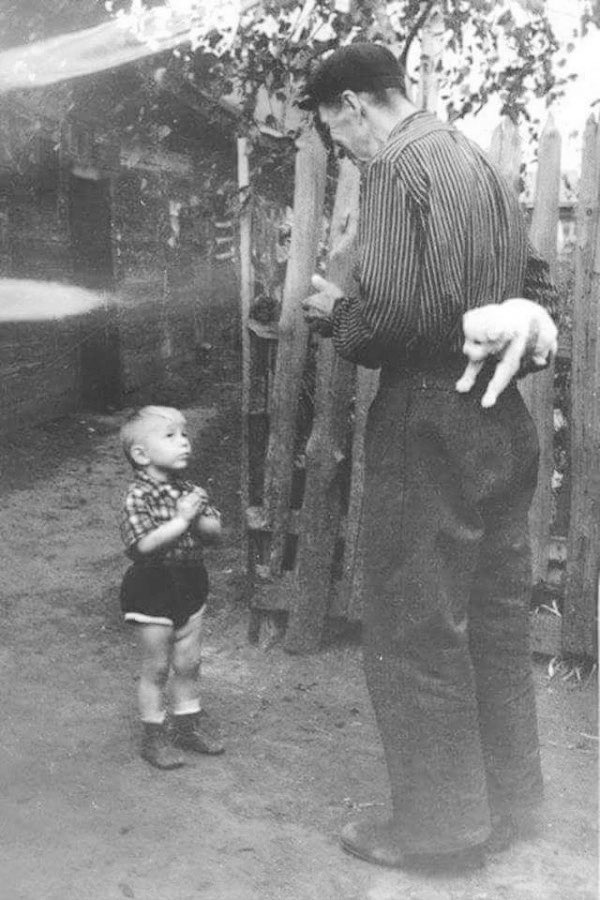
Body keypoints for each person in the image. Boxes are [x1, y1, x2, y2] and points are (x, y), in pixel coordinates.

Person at [299, 43, 558, 871]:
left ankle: (442, 832)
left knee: (416, 626)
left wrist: (336, 314)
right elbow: (530, 278)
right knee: (490, 618)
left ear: (350, 106)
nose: (343, 148)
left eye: (336, 133)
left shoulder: (398, 168)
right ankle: (510, 804)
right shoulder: (472, 159)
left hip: (429, 413)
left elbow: (400, 322)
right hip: (500, 413)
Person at [119, 405, 224, 769]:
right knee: (158, 667)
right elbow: (143, 546)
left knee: (189, 662)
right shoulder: (138, 496)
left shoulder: (191, 491)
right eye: (171, 436)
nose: (184, 443)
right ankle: (153, 738)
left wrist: (200, 517)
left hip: (190, 581)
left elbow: (214, 534)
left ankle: (187, 727)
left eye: (185, 435)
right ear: (141, 454)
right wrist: (182, 519)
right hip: (152, 587)